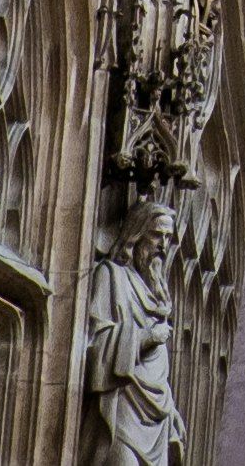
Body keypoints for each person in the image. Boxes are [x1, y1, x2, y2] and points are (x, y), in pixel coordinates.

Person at [84, 185, 183, 466]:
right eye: (156, 235)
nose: (163, 245)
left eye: (168, 237)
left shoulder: (159, 292)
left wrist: (172, 408)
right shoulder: (111, 276)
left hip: (157, 413)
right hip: (124, 403)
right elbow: (95, 343)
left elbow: (158, 365)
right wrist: (145, 338)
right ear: (137, 234)